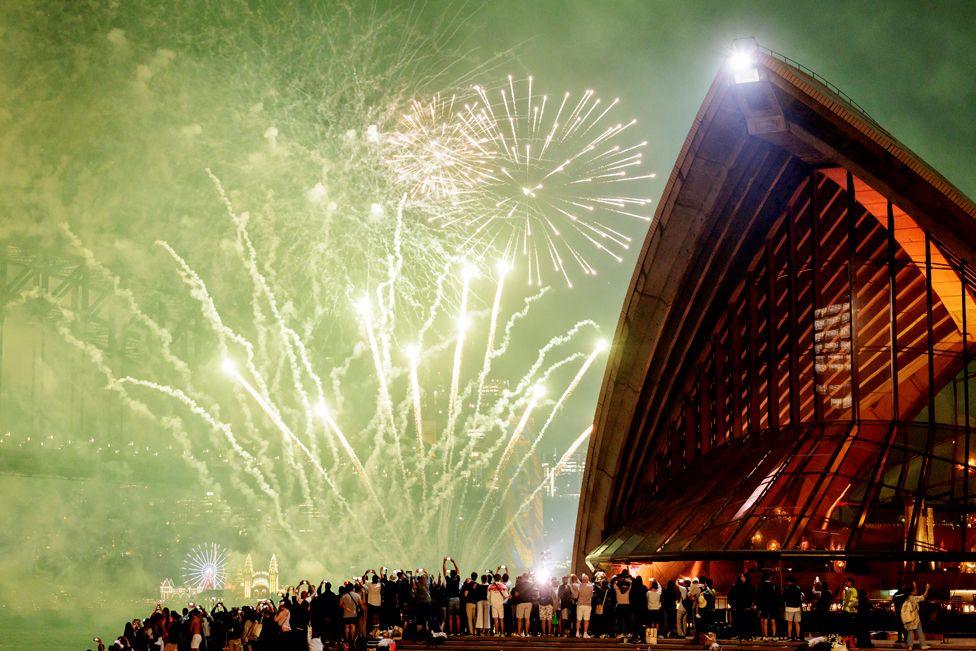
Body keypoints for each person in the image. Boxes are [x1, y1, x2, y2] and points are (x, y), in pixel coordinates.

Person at [901, 582, 931, 650]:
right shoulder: (913, 598)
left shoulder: (907, 598)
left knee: (910, 632)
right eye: (914, 590)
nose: (916, 591)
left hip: (908, 618)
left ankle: (910, 646)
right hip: (914, 618)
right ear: (911, 592)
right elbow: (924, 596)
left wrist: (915, 586)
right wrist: (927, 588)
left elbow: (916, 593)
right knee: (920, 631)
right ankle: (923, 645)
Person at [727, 573, 754, 640]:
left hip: (741, 607)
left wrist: (733, 605)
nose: (741, 578)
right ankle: (745, 635)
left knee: (741, 622)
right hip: (743, 607)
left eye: (742, 576)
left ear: (745, 578)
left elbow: (732, 596)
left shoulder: (738, 586)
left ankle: (742, 635)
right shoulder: (748, 587)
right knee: (744, 622)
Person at [756, 571, 781, 640]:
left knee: (765, 621)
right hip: (773, 606)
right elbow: (778, 597)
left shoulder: (760, 586)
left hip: (764, 606)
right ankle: (774, 636)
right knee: (773, 621)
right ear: (770, 577)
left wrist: (759, 606)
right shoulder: (774, 586)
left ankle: (765, 636)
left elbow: (758, 597)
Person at [610, 568, 633, 638]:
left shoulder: (617, 589)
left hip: (619, 606)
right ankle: (628, 632)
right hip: (627, 605)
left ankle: (620, 633)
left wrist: (619, 578)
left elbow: (612, 582)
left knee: (620, 620)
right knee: (627, 620)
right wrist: (626, 579)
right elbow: (632, 583)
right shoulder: (628, 589)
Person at [442, 557, 462, 635]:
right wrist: (453, 562)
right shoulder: (457, 578)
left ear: (450, 574)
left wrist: (444, 562)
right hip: (457, 599)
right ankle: (459, 631)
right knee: (457, 616)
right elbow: (458, 571)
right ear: (455, 574)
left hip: (450, 599)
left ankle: (450, 632)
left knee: (450, 616)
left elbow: (444, 572)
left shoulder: (448, 579)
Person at [783, 574, 804, 641]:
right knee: (797, 623)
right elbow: (801, 598)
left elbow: (784, 598)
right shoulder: (798, 588)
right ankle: (798, 637)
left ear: (788, 581)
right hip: (797, 607)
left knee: (789, 623)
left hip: (789, 607)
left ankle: (789, 637)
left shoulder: (786, 588)